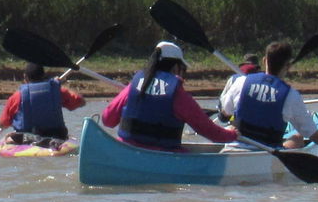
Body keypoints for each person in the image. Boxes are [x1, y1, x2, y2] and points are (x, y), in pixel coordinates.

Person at [101, 41, 238, 150]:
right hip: (162, 154)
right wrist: (232, 134)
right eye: (182, 69)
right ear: (175, 67)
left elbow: (107, 120)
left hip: (126, 149)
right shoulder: (177, 94)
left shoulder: (134, 85)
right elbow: (209, 131)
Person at [219, 41, 318, 152]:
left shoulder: (241, 82)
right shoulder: (291, 95)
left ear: (264, 60)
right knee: (298, 138)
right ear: (288, 66)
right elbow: (312, 134)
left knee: (230, 126)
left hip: (232, 149)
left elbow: (225, 113)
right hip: (267, 153)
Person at [0, 62, 86, 142]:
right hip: (56, 136)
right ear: (44, 76)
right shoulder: (56, 91)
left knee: (8, 139)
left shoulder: (16, 97)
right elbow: (81, 102)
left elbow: (3, 124)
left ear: (25, 77)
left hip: (26, 138)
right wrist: (58, 86)